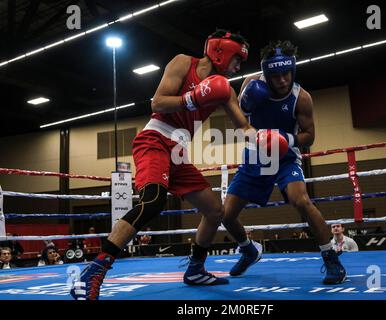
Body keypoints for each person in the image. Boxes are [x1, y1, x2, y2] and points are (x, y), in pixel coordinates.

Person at [71, 29, 252, 300]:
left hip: (178, 152)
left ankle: (195, 269)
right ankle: (94, 271)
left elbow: (244, 126)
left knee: (215, 211)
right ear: (220, 51)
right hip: (154, 139)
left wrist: (265, 138)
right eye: (237, 59)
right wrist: (193, 98)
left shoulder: (224, 90)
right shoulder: (183, 62)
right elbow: (157, 102)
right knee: (153, 200)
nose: (238, 66)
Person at [222, 40, 347, 284]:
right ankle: (249, 249)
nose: (282, 80)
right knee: (226, 216)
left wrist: (284, 139)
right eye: (276, 75)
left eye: (286, 74)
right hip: (255, 156)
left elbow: (310, 136)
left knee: (301, 201)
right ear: (267, 74)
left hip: (286, 158)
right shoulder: (250, 85)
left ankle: (331, 259)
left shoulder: (302, 98)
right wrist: (247, 114)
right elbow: (236, 124)